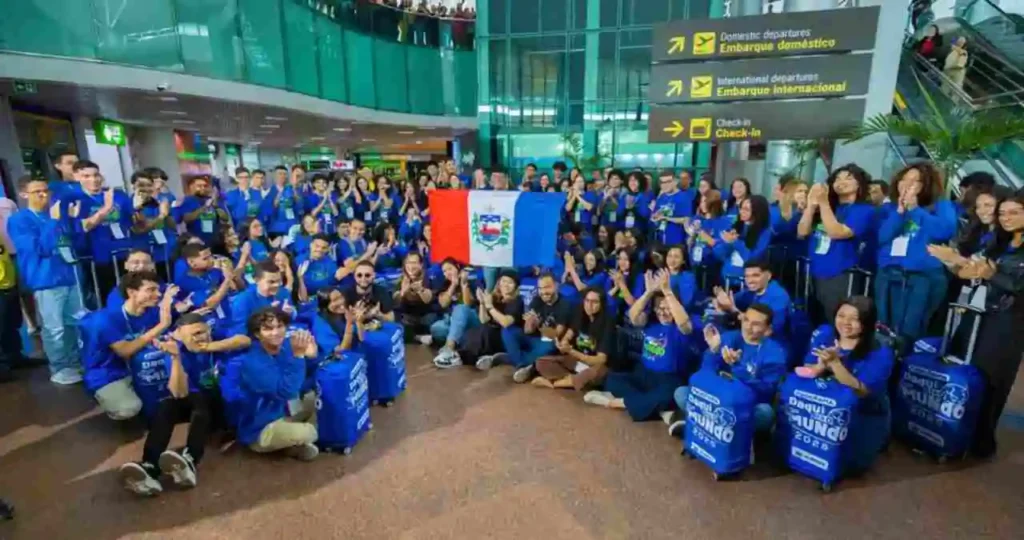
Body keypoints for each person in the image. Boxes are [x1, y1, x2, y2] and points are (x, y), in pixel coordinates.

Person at [929, 191, 1024, 458]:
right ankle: (963, 434)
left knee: (994, 377)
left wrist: (993, 274)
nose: (1006, 218)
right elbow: (973, 270)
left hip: (1009, 320)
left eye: (1014, 212)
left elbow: (1014, 284)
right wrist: (955, 260)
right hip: (979, 311)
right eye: (1003, 213)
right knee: (972, 372)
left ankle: (983, 441)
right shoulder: (1000, 241)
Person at [118, 312, 246, 496]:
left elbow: (244, 340)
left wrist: (208, 347)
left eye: (204, 332)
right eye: (195, 334)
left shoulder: (215, 336)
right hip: (200, 408)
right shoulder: (173, 351)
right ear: (178, 335)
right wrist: (176, 359)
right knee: (168, 406)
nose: (202, 336)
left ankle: (189, 460)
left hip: (225, 406)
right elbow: (179, 392)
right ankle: (150, 466)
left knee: (201, 399)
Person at [799, 296, 894, 474]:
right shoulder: (825, 334)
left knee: (852, 466)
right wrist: (820, 366)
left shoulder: (881, 352)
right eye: (841, 316)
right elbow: (806, 371)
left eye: (855, 318)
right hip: (824, 408)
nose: (846, 322)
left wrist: (835, 365)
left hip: (863, 413)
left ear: (867, 323)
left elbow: (862, 391)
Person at [586, 270, 695, 422]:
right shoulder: (651, 323)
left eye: (667, 309)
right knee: (612, 379)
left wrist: (667, 292)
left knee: (669, 394)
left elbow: (684, 324)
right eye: (659, 308)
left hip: (668, 379)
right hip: (643, 373)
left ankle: (617, 403)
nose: (663, 313)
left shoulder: (682, 327)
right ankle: (660, 411)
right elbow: (633, 315)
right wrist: (649, 292)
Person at [8, 176, 85, 385]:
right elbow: (39, 249)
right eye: (37, 192)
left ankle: (74, 362)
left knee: (72, 323)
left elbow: (73, 242)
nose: (44, 195)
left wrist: (73, 219)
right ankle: (59, 367)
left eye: (45, 190)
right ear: (24, 194)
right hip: (46, 280)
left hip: (69, 275)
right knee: (54, 327)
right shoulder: (20, 220)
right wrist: (53, 221)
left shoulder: (56, 216)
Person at [671, 303, 786, 438]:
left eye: (756, 324)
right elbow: (704, 374)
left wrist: (737, 367)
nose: (748, 326)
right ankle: (718, 427)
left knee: (766, 414)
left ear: (768, 330)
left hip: (746, 405)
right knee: (681, 393)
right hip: (717, 399)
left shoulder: (775, 353)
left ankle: (701, 423)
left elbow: (766, 392)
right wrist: (714, 352)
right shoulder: (728, 337)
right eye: (746, 320)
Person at [875, 163, 956, 346]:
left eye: (915, 181)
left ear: (926, 184)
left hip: (922, 278)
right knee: (883, 328)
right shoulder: (889, 209)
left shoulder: (940, 206)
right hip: (888, 275)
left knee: (911, 332)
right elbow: (882, 237)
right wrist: (900, 213)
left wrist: (915, 210)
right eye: (904, 179)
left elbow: (944, 231)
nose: (907, 184)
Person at [88, 272, 177, 421]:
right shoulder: (105, 319)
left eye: (159, 290)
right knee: (129, 408)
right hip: (109, 372)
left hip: (144, 366)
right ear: (131, 292)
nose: (158, 294)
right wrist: (162, 325)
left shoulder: (153, 311)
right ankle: (107, 397)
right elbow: (125, 351)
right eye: (151, 290)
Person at [238, 307, 320, 460]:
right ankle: (287, 442)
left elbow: (304, 378)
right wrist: (298, 357)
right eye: (268, 329)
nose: (276, 332)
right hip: (261, 428)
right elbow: (286, 392)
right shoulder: (252, 362)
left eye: (279, 326)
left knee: (317, 399)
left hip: (285, 411)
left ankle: (288, 445)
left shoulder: (284, 348)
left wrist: (312, 357)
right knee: (310, 431)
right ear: (257, 334)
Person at [797, 164, 874, 321]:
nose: (841, 181)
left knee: (835, 319)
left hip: (840, 273)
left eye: (848, 178)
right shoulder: (829, 208)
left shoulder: (863, 210)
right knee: (812, 319)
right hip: (813, 272)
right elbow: (802, 232)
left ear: (860, 184)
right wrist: (811, 206)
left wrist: (824, 203)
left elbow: (836, 232)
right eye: (837, 178)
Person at [486, 272, 570, 382]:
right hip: (532, 339)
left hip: (548, 341)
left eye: (547, 287)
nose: (543, 292)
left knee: (549, 346)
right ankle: (525, 365)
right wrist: (531, 323)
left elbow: (556, 334)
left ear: (557, 286)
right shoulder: (537, 300)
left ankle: (511, 359)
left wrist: (539, 325)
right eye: (540, 288)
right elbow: (527, 331)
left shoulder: (564, 304)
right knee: (508, 330)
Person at [531, 287, 613, 391]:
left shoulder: (608, 323)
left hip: (594, 365)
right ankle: (573, 380)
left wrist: (571, 351)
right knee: (541, 362)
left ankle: (555, 383)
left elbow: (601, 359)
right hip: (576, 363)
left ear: (602, 304)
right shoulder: (580, 313)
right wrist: (563, 343)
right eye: (587, 301)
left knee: (597, 372)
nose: (589, 305)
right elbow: (570, 333)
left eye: (594, 302)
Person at [708, 259, 792, 338]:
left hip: (773, 341)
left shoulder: (778, 296)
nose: (750, 281)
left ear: (768, 275)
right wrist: (720, 302)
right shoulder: (751, 291)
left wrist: (732, 309)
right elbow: (732, 300)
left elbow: (762, 328)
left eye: (755, 276)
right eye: (747, 276)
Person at [713, 195, 772, 286]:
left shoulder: (765, 233)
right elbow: (718, 254)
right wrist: (726, 243)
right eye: (740, 208)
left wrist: (735, 242)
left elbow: (753, 259)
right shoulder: (736, 226)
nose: (742, 212)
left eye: (746, 209)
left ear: (757, 211)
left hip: (748, 280)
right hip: (726, 276)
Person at [429, 261, 478, 367]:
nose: (447, 273)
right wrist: (453, 285)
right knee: (436, 328)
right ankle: (459, 343)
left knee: (460, 308)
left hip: (472, 320)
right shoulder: (445, 285)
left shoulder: (471, 281)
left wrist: (463, 285)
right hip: (452, 323)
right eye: (444, 271)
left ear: (458, 268)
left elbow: (468, 304)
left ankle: (449, 348)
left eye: (450, 269)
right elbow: (443, 304)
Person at [229, 260, 296, 336]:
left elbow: (292, 319)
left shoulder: (283, 292)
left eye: (279, 281)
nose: (276, 285)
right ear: (256, 280)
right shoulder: (243, 300)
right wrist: (265, 315)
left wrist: (291, 313)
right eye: (271, 282)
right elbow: (241, 333)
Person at [393, 251, 436, 342]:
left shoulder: (429, 278)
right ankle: (417, 338)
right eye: (408, 263)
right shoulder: (401, 279)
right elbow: (395, 302)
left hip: (426, 317)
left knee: (435, 324)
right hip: (408, 318)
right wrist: (403, 292)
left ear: (421, 265)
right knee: (395, 323)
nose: (411, 266)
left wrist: (420, 289)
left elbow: (428, 299)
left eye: (414, 263)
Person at [651, 170, 692, 245]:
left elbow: (686, 219)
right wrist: (655, 216)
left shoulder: (684, 197)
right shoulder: (661, 197)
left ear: (675, 182)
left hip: (676, 240)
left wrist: (666, 218)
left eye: (668, 182)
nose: (665, 185)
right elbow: (654, 216)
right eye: (662, 182)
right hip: (660, 238)